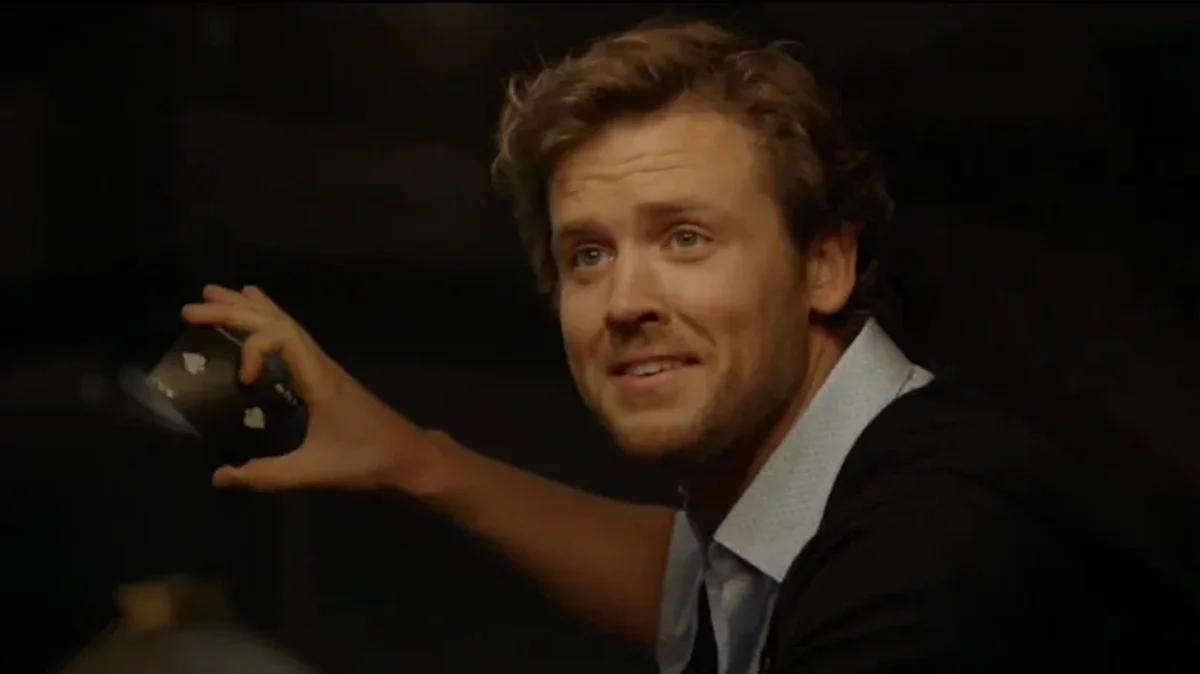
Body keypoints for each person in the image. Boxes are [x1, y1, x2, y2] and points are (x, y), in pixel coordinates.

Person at [182, 18, 1199, 674]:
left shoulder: (929, 560)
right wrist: (414, 458)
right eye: (588, 255)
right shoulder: (835, 499)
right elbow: (687, 584)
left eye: (686, 238)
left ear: (825, 266)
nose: (626, 301)